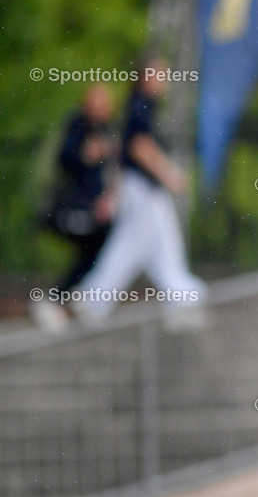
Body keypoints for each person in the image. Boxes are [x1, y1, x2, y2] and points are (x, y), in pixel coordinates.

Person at [72, 57, 207, 326]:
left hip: (140, 188)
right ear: (147, 77)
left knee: (145, 247)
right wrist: (170, 175)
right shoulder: (141, 104)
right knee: (146, 245)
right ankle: (181, 299)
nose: (165, 80)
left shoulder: (141, 104)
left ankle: (95, 300)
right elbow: (138, 146)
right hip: (143, 189)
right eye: (160, 74)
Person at [33, 84, 117, 332]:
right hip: (71, 210)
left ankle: (75, 297)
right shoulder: (78, 126)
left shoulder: (107, 130)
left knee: (98, 248)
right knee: (96, 244)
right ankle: (61, 298)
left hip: (93, 209)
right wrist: (85, 154)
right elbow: (64, 158)